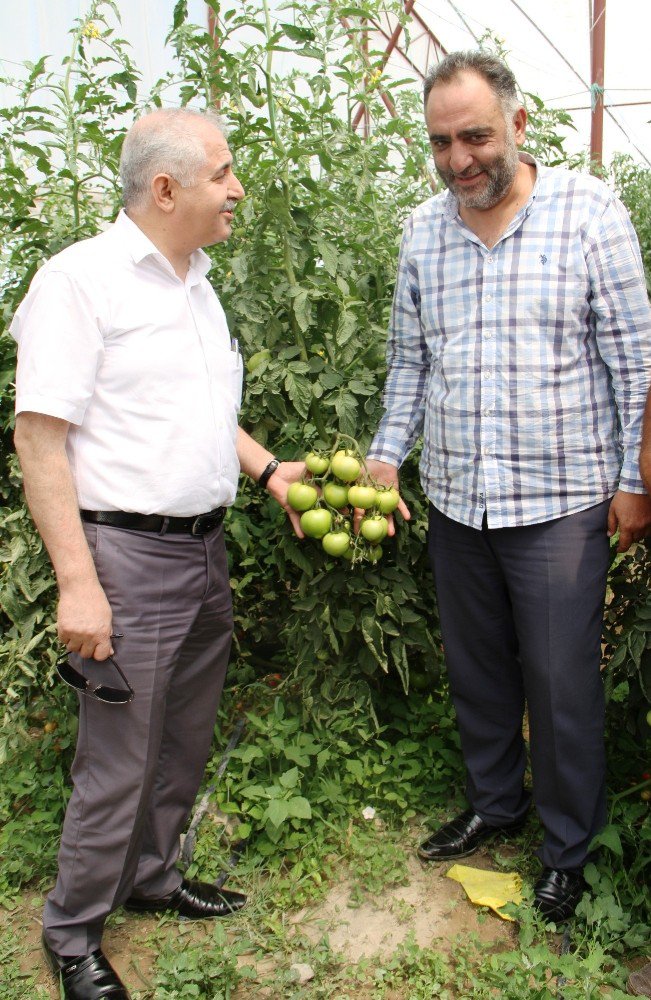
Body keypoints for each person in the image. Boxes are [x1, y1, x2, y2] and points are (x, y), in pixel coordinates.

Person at [12, 107, 304, 1000]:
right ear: (166, 187)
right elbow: (39, 438)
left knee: (181, 737)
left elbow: (202, 414)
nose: (237, 189)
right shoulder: (81, 282)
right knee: (117, 759)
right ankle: (71, 933)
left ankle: (153, 876)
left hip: (202, 550)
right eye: (222, 173)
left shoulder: (194, 283)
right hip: (125, 559)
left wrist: (267, 471)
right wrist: (78, 583)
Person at [365, 51, 651, 923]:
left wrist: (634, 482)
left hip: (559, 501)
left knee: (562, 686)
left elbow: (635, 362)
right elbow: (409, 362)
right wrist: (384, 458)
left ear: (518, 126)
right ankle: (496, 803)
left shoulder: (586, 214)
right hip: (456, 498)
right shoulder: (422, 231)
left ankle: (568, 847)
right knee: (478, 671)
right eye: (441, 142)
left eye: (476, 136)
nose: (459, 160)